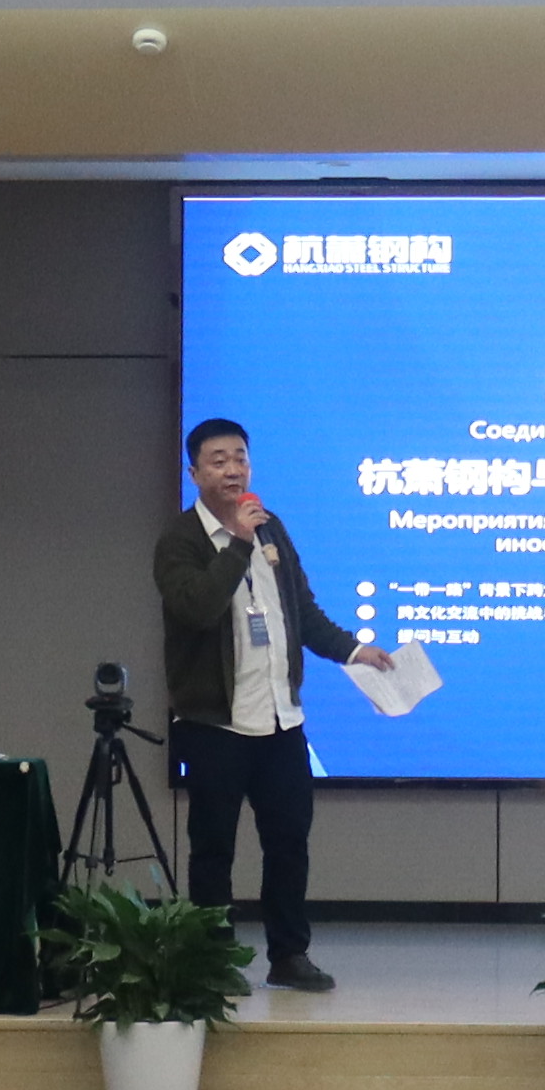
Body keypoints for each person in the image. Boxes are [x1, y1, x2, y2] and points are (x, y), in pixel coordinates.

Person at [150, 416, 409, 995]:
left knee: (289, 842)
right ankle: (211, 960)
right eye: (219, 460)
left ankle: (289, 955)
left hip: (280, 719)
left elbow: (302, 611)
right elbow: (197, 608)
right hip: (215, 722)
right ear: (194, 473)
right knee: (213, 848)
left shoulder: (272, 528)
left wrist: (354, 650)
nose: (233, 470)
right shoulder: (180, 541)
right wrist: (238, 544)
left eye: (240, 457)